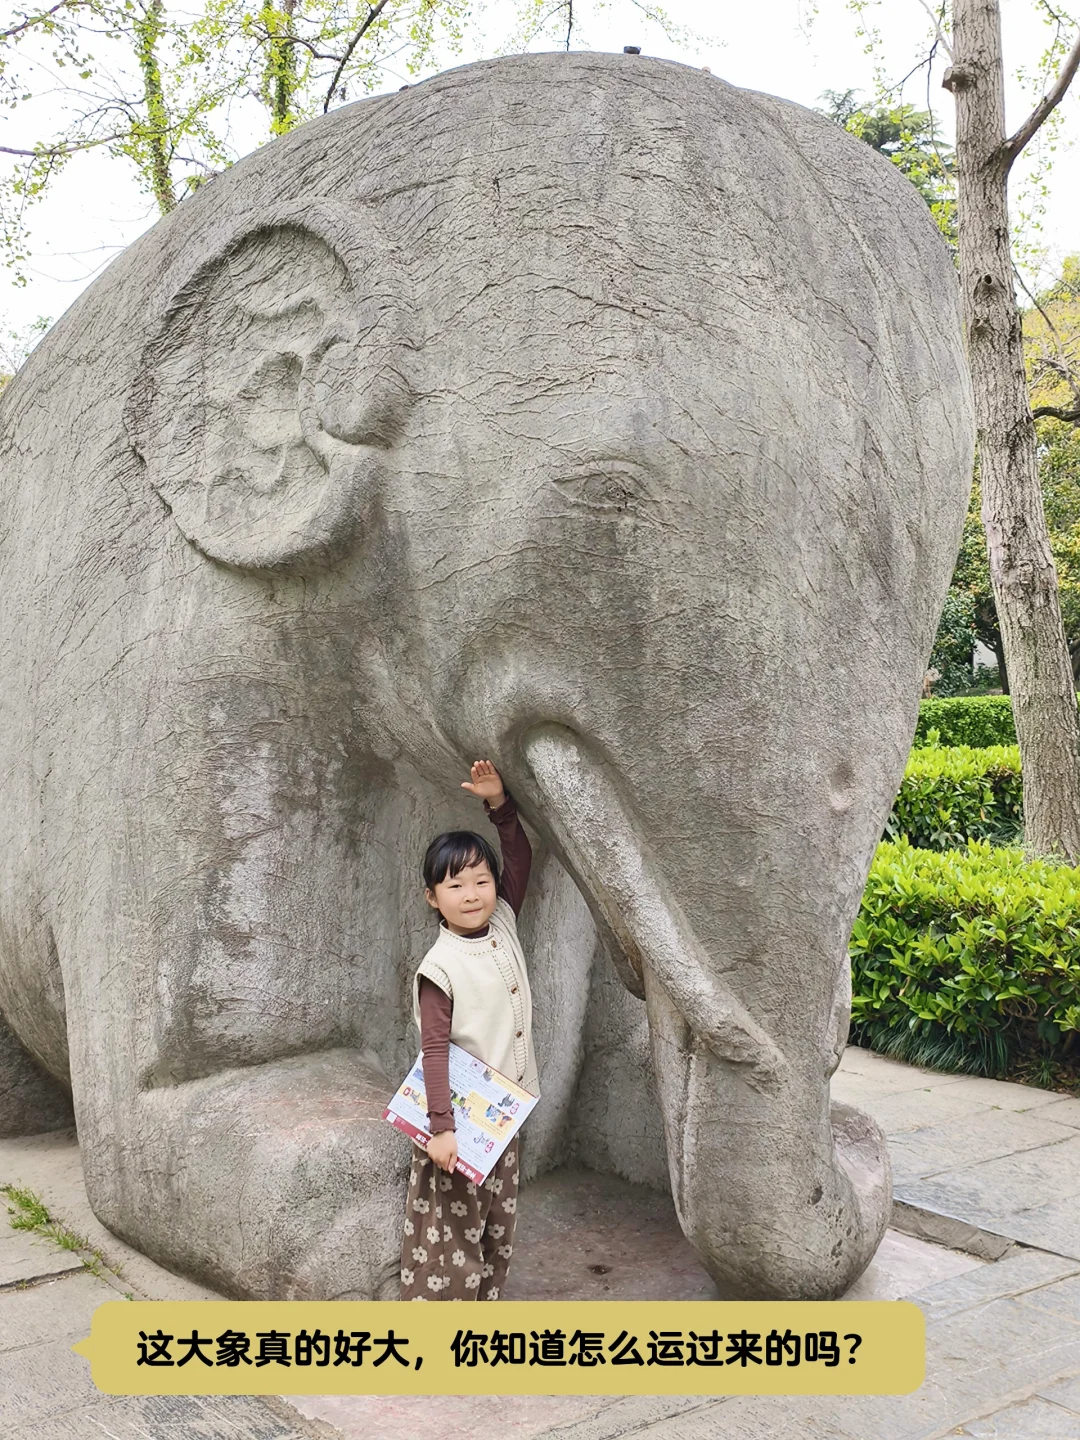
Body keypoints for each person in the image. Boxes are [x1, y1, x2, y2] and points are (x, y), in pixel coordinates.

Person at [399, 759, 538, 1300]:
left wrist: (499, 805)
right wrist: (441, 1130)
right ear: (433, 897)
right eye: (456, 884)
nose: (474, 892)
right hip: (458, 1125)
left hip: (504, 1112)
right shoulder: (441, 965)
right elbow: (434, 1051)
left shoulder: (501, 921)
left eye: (482, 880)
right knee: (448, 1234)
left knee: (496, 1227)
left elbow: (520, 856)